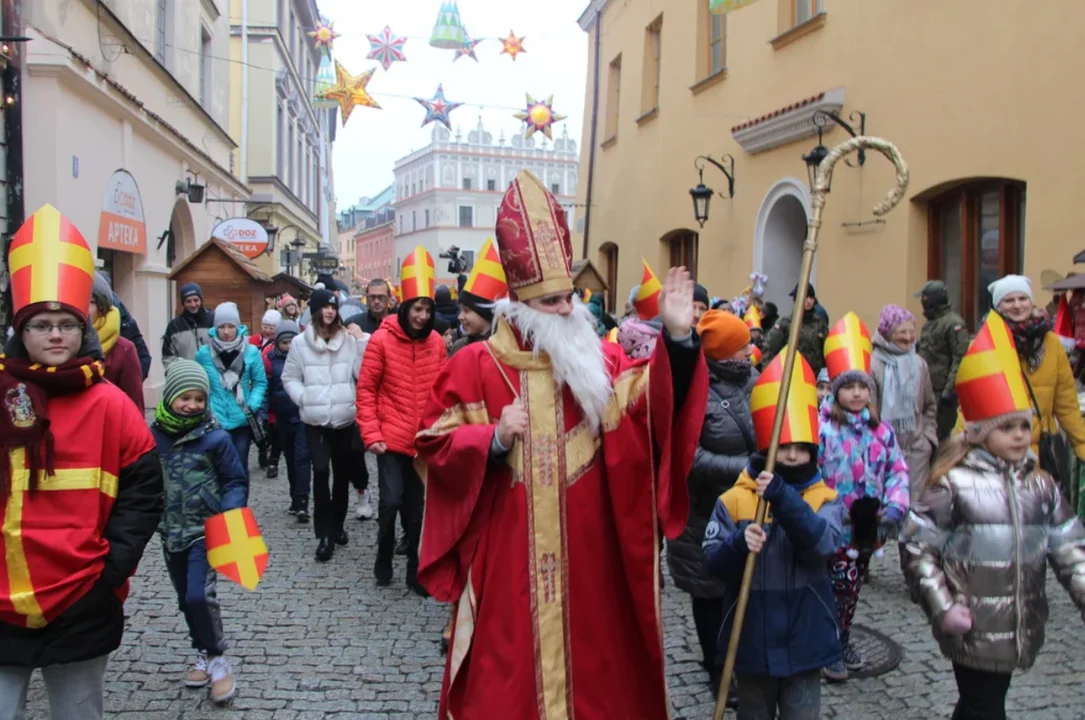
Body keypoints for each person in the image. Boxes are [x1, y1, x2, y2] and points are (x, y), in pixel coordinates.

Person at [415, 170, 708, 719]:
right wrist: (493, 438)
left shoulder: (597, 363)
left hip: (590, 575)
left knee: (597, 682)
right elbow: (432, 446)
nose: (569, 309)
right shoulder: (476, 367)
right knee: (506, 689)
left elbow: (651, 407)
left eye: (570, 295)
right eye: (552, 301)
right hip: (507, 569)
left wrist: (677, 339)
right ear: (521, 304)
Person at [0, 206, 163, 720]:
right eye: (42, 325)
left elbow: (143, 495)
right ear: (20, 332)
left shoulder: (111, 404)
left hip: (81, 597)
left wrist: (110, 572)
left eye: (67, 324)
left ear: (84, 329)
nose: (55, 336)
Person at [900, 311, 1085, 720]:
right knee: (985, 706)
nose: (1020, 435)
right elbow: (917, 546)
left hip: (1020, 622)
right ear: (980, 432)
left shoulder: (1041, 486)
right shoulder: (953, 484)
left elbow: (1070, 549)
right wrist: (943, 606)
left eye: (1025, 426)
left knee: (980, 705)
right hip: (972, 625)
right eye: (1008, 428)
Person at [702, 352, 844, 720]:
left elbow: (821, 548)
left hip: (804, 641)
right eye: (783, 448)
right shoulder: (735, 499)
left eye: (801, 449)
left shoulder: (824, 499)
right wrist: (738, 544)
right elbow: (714, 563)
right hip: (751, 641)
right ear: (767, 449)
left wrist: (782, 497)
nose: (793, 456)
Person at [666, 310, 757, 696]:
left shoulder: (754, 380)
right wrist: (745, 468)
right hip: (705, 514)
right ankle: (717, 668)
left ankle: (742, 660)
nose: (752, 349)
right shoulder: (694, 387)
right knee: (709, 594)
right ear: (724, 354)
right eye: (742, 346)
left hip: (749, 510)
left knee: (743, 591)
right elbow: (692, 455)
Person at [818, 313, 909, 682]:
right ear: (835, 389)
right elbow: (810, 472)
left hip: (864, 529)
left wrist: (895, 505)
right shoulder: (822, 429)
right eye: (849, 386)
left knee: (849, 589)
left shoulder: (881, 431)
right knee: (826, 586)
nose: (857, 393)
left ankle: (840, 638)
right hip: (828, 526)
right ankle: (826, 643)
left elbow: (897, 470)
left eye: (863, 387)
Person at [151, 359, 247, 705]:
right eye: (184, 398)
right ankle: (203, 653)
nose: (191, 405)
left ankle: (219, 659)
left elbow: (235, 479)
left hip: (205, 531)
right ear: (170, 396)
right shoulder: (152, 437)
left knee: (198, 595)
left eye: (199, 399)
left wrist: (231, 510)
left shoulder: (216, 438)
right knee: (184, 599)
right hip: (170, 532)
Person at [357, 248, 446, 592]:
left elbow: (441, 392)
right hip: (390, 440)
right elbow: (366, 390)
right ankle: (383, 556)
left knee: (417, 510)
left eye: (427, 309)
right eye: (417, 308)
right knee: (390, 501)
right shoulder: (381, 340)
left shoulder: (436, 343)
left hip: (422, 441)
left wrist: (440, 432)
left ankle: (415, 572)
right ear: (406, 307)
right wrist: (371, 433)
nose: (422, 316)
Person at [955, 275, 1085, 474]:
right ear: (998, 305)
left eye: (1022, 298)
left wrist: (1082, 446)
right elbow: (970, 408)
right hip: (999, 454)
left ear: (1031, 301)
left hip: (1042, 452)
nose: (1017, 305)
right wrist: (958, 449)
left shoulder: (1052, 343)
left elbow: (1066, 403)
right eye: (1009, 300)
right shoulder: (984, 344)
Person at [282, 289, 370, 561]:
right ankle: (324, 533)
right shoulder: (299, 343)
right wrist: (304, 398)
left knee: (341, 476)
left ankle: (338, 525)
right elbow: (290, 377)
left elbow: (362, 373)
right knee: (320, 472)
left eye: (333, 307)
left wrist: (362, 342)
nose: (329, 312)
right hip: (315, 420)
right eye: (324, 307)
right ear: (316, 311)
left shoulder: (347, 340)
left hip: (345, 419)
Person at [871, 304, 937, 503]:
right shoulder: (873, 364)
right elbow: (870, 411)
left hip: (916, 450)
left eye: (911, 331)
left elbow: (929, 405)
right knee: (887, 505)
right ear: (887, 333)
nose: (908, 337)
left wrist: (927, 440)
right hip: (884, 450)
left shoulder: (919, 364)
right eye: (902, 332)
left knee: (915, 506)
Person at [343, 278, 395, 519]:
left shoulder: (398, 323)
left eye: (381, 297)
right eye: (372, 296)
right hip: (362, 399)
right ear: (366, 297)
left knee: (391, 457)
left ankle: (391, 501)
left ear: (389, 298)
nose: (376, 301)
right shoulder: (353, 323)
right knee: (353, 452)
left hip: (393, 400)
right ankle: (363, 490)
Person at [194, 302, 267, 471]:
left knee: (239, 468)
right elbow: (198, 383)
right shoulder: (204, 354)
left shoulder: (251, 352)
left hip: (241, 420)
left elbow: (260, 382)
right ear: (215, 328)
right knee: (216, 468)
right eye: (222, 327)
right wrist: (207, 407)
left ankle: (240, 497)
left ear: (238, 326)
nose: (226, 332)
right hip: (214, 420)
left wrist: (252, 404)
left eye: (230, 326)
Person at [265, 319, 312, 523]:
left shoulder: (306, 358)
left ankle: (303, 502)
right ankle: (295, 497)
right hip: (282, 417)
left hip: (303, 415)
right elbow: (267, 389)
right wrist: (267, 416)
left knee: (302, 459)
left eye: (292, 341)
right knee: (290, 460)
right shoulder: (269, 359)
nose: (289, 346)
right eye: (285, 342)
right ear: (278, 343)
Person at [915, 280, 970, 440]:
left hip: (942, 391)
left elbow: (959, 359)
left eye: (924, 299)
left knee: (941, 435)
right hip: (928, 388)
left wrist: (949, 390)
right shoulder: (931, 323)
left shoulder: (953, 323)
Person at [89, 271, 144, 409]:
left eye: (90, 301)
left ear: (102, 308)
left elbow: (134, 408)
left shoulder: (123, 349)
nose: (82, 307)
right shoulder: (58, 342)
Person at [762, 283, 829, 374]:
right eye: (805, 297)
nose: (809, 301)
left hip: (815, 377)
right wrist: (769, 375)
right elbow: (769, 348)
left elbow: (827, 351)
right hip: (793, 377)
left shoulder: (820, 324)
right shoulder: (785, 323)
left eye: (811, 297)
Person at [252, 309, 282, 476]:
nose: (268, 330)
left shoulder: (281, 343)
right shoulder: (254, 341)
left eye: (272, 327)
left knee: (275, 426)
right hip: (258, 386)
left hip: (275, 387)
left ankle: (273, 459)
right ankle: (263, 448)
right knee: (260, 423)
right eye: (266, 326)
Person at [162, 282, 215, 369]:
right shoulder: (174, 326)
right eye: (188, 301)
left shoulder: (213, 320)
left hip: (212, 376)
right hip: (186, 378)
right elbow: (167, 357)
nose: (193, 305)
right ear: (183, 303)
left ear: (201, 300)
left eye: (196, 300)